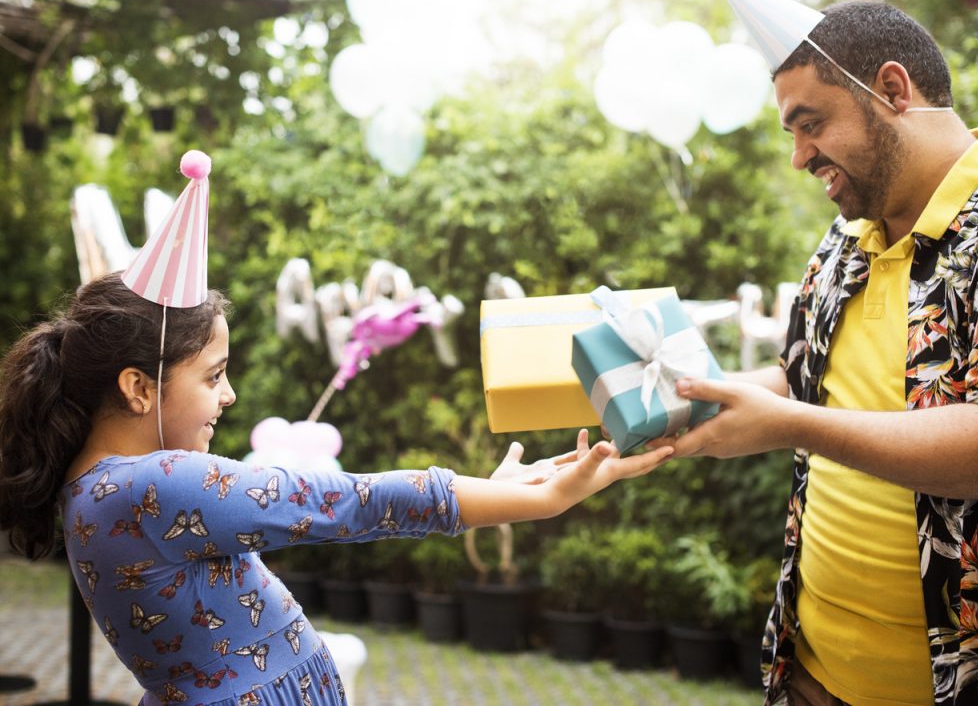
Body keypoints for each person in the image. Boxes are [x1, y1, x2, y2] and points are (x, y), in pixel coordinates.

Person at [0, 150, 674, 706]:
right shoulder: (152, 484)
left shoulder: (94, 489)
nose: (228, 395)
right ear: (138, 386)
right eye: (212, 375)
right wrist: (535, 499)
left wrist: (487, 488)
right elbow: (345, 501)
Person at [661, 0, 978, 706]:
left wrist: (790, 425)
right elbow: (807, 378)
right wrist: (692, 392)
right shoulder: (847, 232)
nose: (799, 156)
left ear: (892, 89)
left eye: (811, 122)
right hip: (810, 669)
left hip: (962, 685)